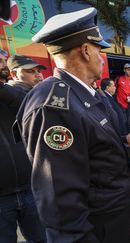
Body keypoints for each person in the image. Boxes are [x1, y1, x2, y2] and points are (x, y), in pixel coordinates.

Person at [15, 8, 130, 243]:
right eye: (99, 50)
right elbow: (59, 200)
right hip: (97, 227)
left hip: (115, 216)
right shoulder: (53, 106)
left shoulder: (86, 93)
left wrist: (124, 141)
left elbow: (89, 146)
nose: (102, 57)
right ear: (86, 50)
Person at [0, 54, 47, 243]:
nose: (3, 64)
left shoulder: (17, 94)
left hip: (29, 187)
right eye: (30, 71)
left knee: (41, 239)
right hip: (2, 197)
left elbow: (26, 102)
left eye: (4, 61)